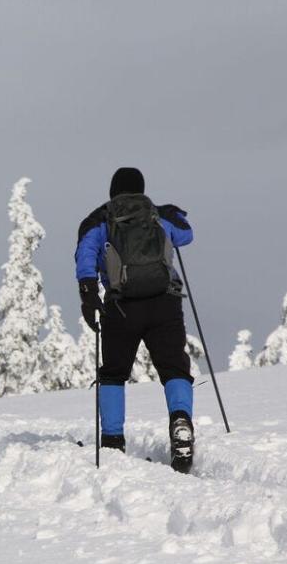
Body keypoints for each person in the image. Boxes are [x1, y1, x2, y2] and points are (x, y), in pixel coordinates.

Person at [74, 167, 196, 472]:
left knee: (114, 372)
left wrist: (88, 294)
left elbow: (84, 254)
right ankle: (180, 421)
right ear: (141, 189)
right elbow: (186, 235)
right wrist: (170, 212)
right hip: (164, 302)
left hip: (121, 307)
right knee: (173, 367)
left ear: (113, 190)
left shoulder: (99, 219)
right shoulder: (156, 215)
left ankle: (113, 440)